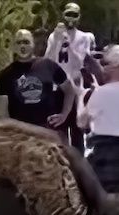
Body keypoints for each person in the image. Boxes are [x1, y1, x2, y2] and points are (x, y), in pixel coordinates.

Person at [77, 44, 119, 202]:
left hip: (105, 152)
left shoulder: (100, 94)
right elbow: (117, 100)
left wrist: (81, 97)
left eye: (104, 63)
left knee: (106, 209)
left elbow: (81, 122)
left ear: (115, 66)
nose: (101, 67)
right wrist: (98, 90)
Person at [0, 29, 76, 136]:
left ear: (33, 44)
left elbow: (69, 90)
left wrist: (64, 114)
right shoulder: (5, 75)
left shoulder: (48, 65)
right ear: (14, 47)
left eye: (26, 42)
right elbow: (2, 110)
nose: (22, 46)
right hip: (20, 133)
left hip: (48, 129)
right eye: (18, 43)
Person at [44, 2, 96, 154]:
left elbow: (81, 62)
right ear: (63, 16)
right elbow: (48, 61)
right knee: (58, 131)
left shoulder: (84, 37)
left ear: (79, 17)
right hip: (57, 88)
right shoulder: (54, 36)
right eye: (68, 14)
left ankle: (79, 166)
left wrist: (68, 44)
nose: (71, 18)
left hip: (75, 88)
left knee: (77, 133)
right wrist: (57, 42)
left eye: (74, 15)